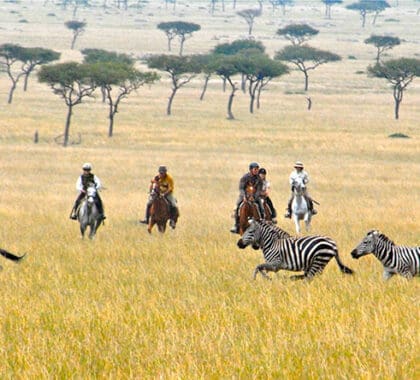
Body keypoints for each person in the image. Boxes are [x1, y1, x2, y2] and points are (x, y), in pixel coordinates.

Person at [230, 162, 265, 234]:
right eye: (255, 169)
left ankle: (263, 223)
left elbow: (259, 189)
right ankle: (236, 225)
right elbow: (241, 188)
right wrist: (244, 196)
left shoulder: (259, 179)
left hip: (255, 195)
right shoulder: (245, 177)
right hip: (245, 194)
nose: (256, 170)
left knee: (261, 207)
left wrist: (255, 197)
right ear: (251, 170)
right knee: (237, 207)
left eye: (257, 169)